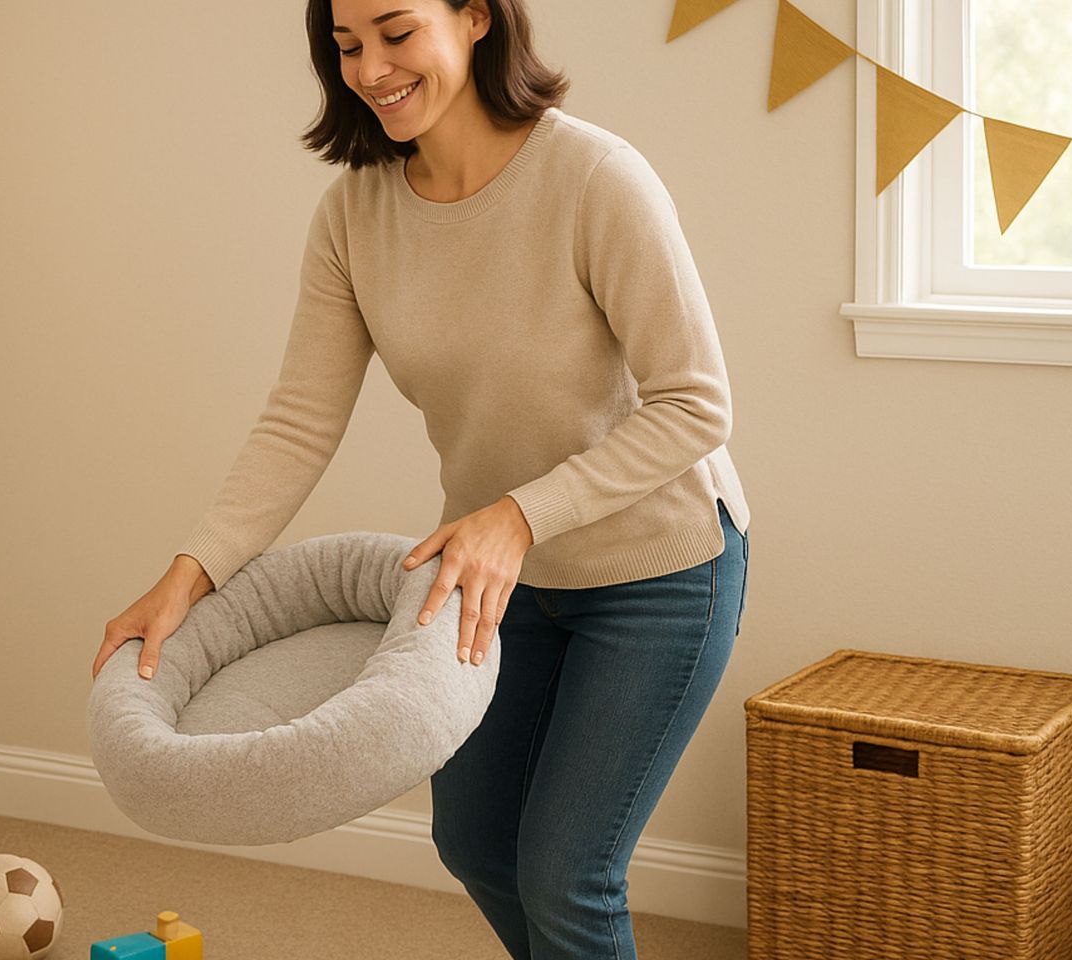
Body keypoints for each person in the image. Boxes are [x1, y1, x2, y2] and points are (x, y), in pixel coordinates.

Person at [91, 1, 749, 957]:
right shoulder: (353, 215)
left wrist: (519, 517)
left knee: (567, 876)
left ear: (475, 17)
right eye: (347, 45)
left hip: (660, 569)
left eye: (397, 34)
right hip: (496, 578)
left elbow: (695, 405)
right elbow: (299, 420)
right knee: (474, 842)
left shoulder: (595, 177)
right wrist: (189, 575)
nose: (370, 69)